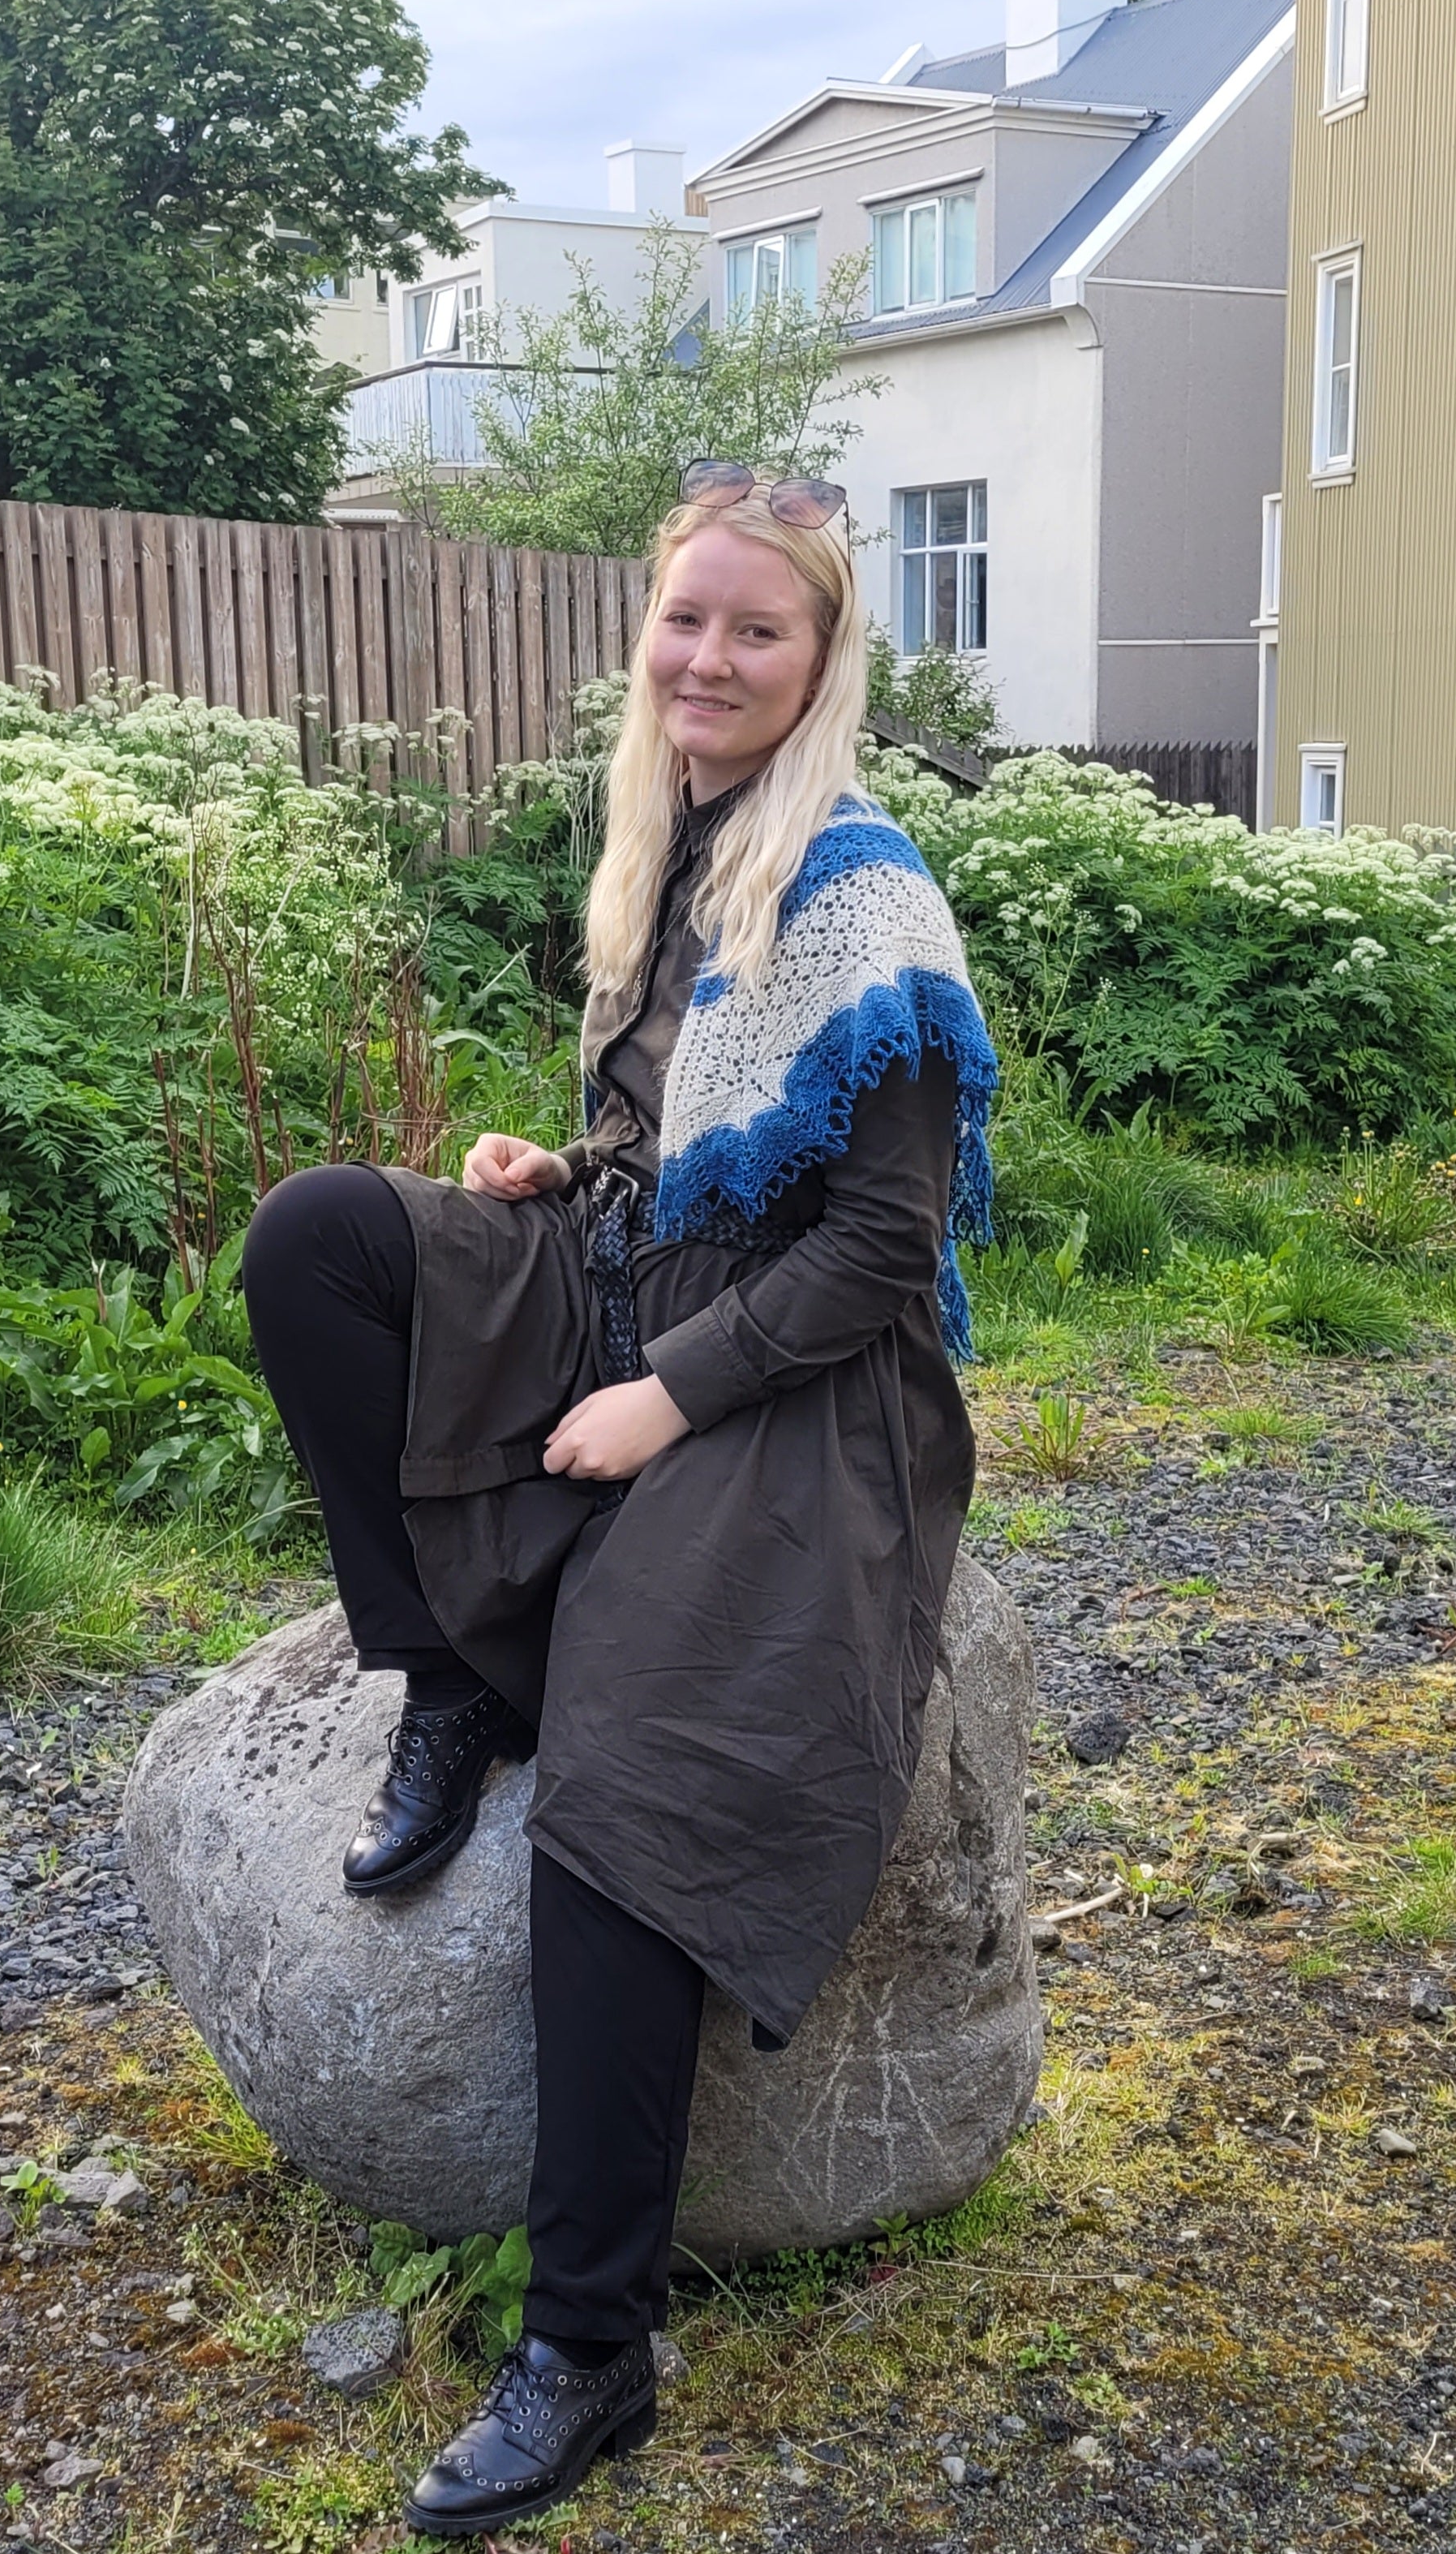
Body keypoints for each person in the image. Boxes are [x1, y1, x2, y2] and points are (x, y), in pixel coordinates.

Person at [243, 462, 997, 2538]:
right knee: (321, 1237)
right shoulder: (663, 848)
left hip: (797, 1379)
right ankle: (445, 1678)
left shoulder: (861, 889)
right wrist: (550, 1175)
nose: (712, 658)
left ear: (824, 657)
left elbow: (875, 1248)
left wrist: (665, 1400)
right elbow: (672, 1138)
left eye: (761, 630)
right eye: (689, 620)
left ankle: (588, 2344)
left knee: (644, 1745)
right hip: (625, 1271)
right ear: (647, 629)